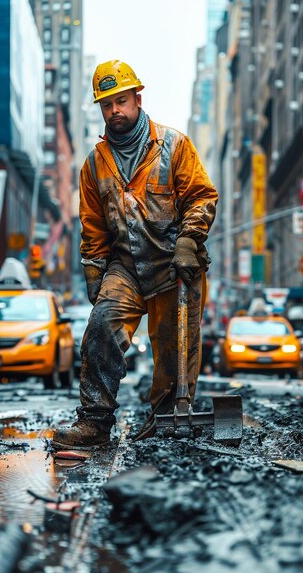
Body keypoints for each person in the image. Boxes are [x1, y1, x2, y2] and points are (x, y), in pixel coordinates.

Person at [52, 59, 218, 450]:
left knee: (175, 351)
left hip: (174, 265)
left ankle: (164, 419)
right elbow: (92, 223)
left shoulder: (174, 146)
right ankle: (94, 422)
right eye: (107, 104)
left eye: (121, 101)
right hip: (125, 266)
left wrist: (189, 240)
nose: (115, 111)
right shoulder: (95, 163)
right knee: (99, 331)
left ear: (137, 99)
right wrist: (94, 270)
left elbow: (202, 196)